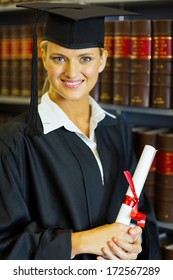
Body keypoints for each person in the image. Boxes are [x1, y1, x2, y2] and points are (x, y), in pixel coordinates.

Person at [0, 2, 161, 260]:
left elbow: (140, 213)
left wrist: (133, 240)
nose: (72, 72)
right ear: (42, 55)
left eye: (85, 58)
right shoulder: (13, 143)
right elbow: (5, 247)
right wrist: (79, 242)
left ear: (102, 60)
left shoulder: (115, 128)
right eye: (59, 58)